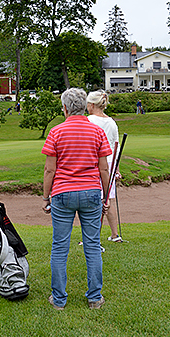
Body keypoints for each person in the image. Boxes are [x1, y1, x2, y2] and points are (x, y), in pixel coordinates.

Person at [41, 88, 112, 310]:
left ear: (65, 108)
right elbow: (103, 169)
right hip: (91, 192)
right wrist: (106, 195)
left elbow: (49, 170)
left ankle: (59, 299)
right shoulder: (97, 132)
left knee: (60, 247)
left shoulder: (56, 132)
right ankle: (94, 297)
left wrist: (46, 197)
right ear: (83, 107)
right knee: (92, 245)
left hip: (62, 193)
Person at [87, 90, 122, 242]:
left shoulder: (89, 120)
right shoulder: (111, 122)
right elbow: (116, 146)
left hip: (95, 162)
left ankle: (91, 237)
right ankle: (115, 234)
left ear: (92, 104)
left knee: (93, 200)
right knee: (109, 198)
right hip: (110, 163)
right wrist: (117, 169)